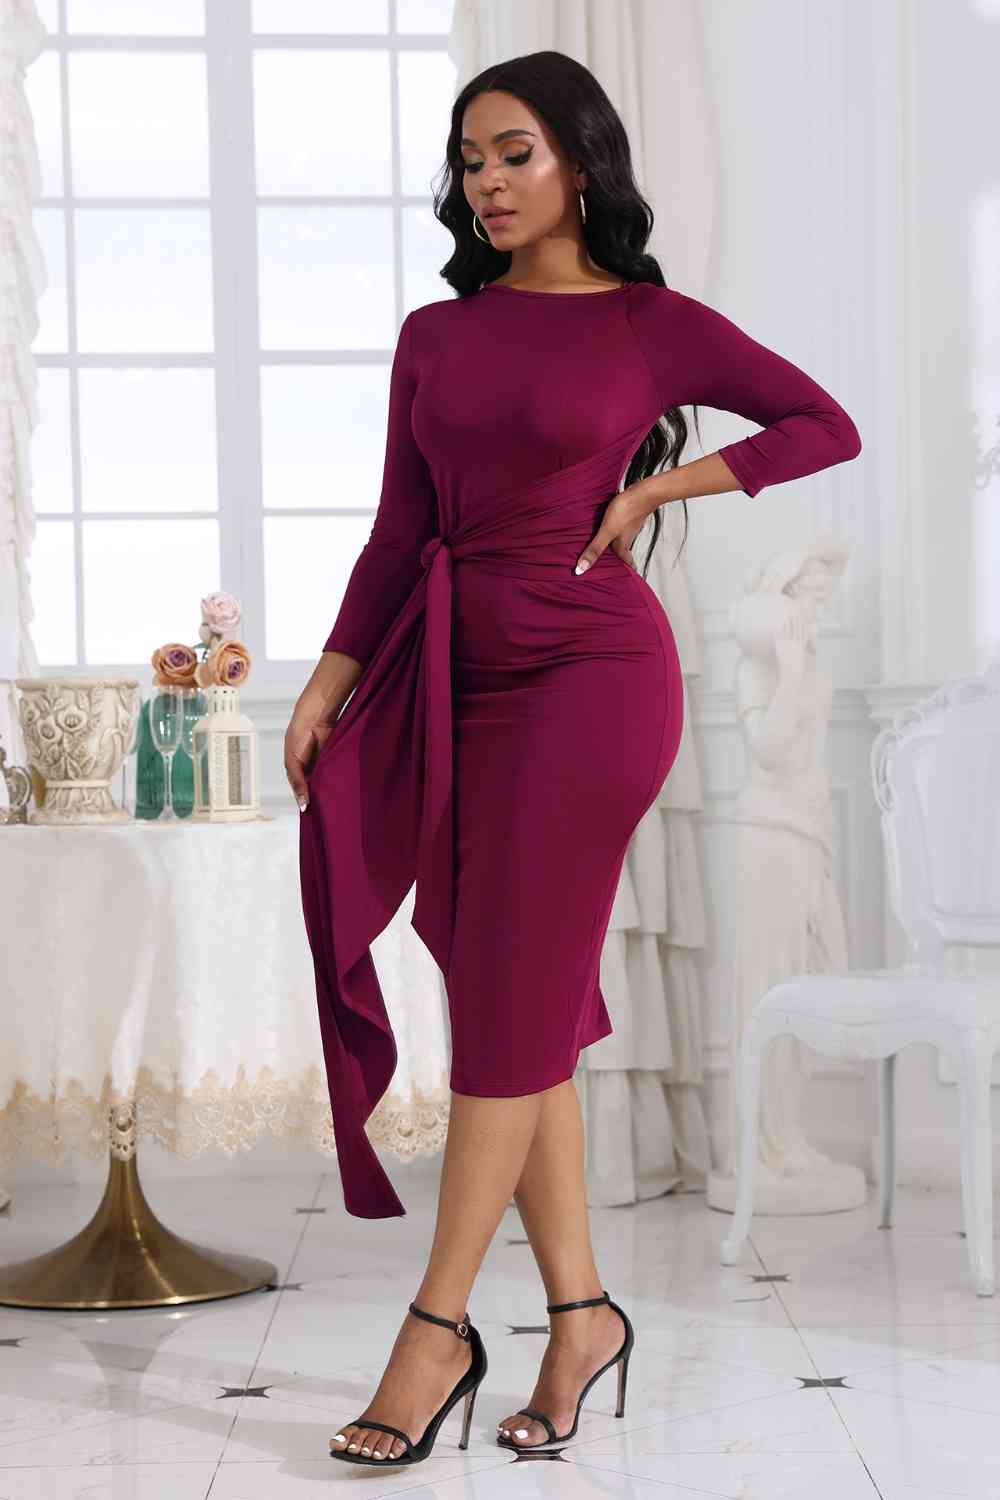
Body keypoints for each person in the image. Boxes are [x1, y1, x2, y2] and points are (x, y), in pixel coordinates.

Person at [283, 50, 862, 1468]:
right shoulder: (438, 335)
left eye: (514, 152)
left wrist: (662, 485)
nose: (486, 180)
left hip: (593, 682)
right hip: (454, 682)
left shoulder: (653, 324)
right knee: (513, 998)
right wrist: (329, 679)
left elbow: (823, 425)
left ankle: (435, 1331)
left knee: (506, 1007)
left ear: (581, 164)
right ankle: (583, 1314)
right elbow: (398, 528)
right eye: (469, 158)